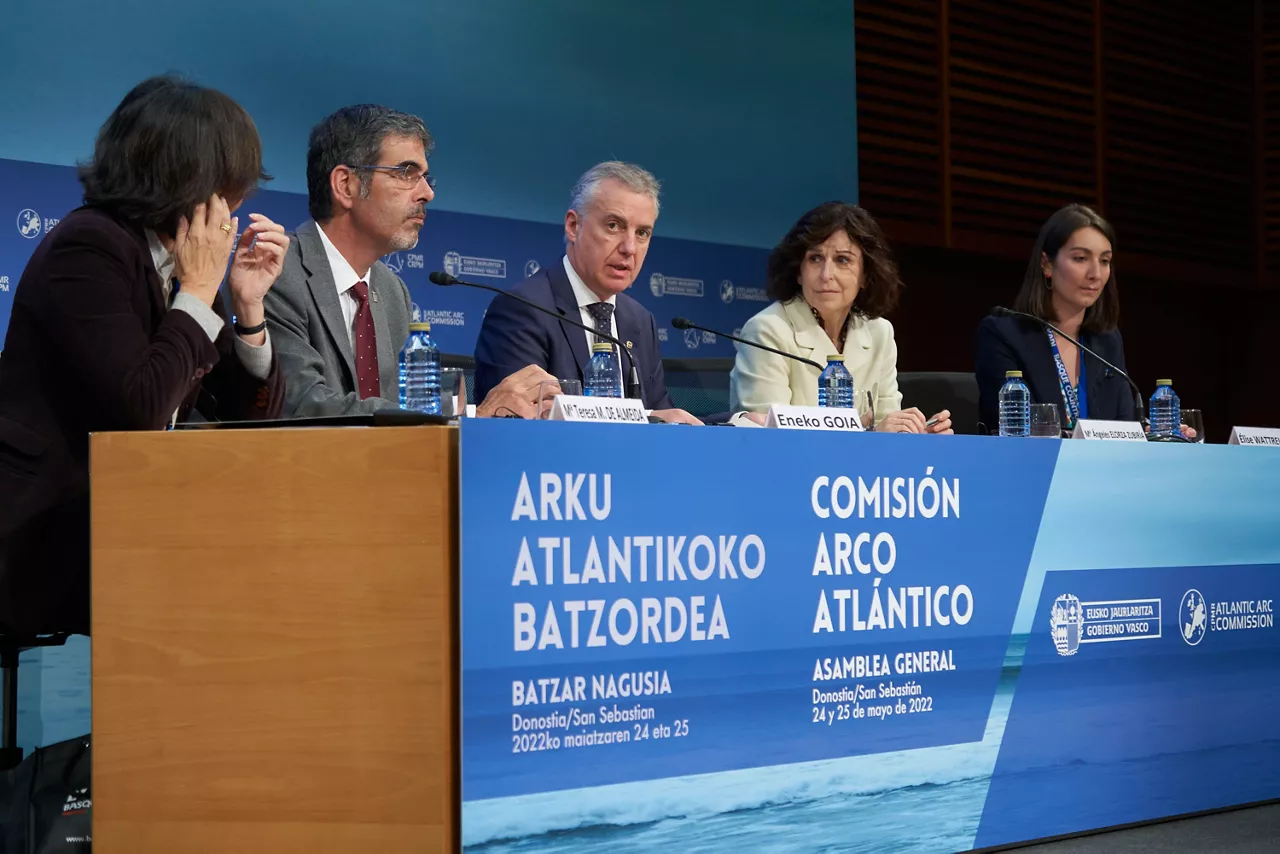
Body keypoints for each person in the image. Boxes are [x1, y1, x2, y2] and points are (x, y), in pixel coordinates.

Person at [0, 76, 288, 634]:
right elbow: (143, 404)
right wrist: (200, 292)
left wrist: (247, 308)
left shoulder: (174, 261)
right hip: (40, 536)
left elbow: (250, 419)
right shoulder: (90, 247)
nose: (238, 205)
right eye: (230, 186)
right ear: (189, 181)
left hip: (128, 528)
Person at [265, 105, 555, 419]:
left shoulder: (392, 291)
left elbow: (404, 416)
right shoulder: (278, 273)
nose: (427, 193)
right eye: (406, 173)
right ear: (345, 185)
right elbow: (306, 406)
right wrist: (472, 415)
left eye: (426, 177)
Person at [473, 161, 702, 425]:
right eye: (614, 226)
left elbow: (666, 414)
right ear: (573, 226)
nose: (629, 247)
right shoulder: (523, 309)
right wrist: (648, 418)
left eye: (642, 233)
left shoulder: (639, 320)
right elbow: (526, 421)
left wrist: (742, 419)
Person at [729, 202, 952, 433]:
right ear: (798, 271)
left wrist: (913, 435)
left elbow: (887, 422)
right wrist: (874, 436)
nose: (827, 275)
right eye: (815, 258)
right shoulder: (767, 330)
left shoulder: (879, 333)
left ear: (866, 275)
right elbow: (767, 435)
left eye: (842, 260)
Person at [974, 203, 1133, 432]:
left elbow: (1125, 426)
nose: (1095, 274)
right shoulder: (1003, 335)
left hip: (1101, 467)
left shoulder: (1107, 340)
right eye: (1081, 258)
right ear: (1047, 264)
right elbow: (1010, 429)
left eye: (1104, 261)